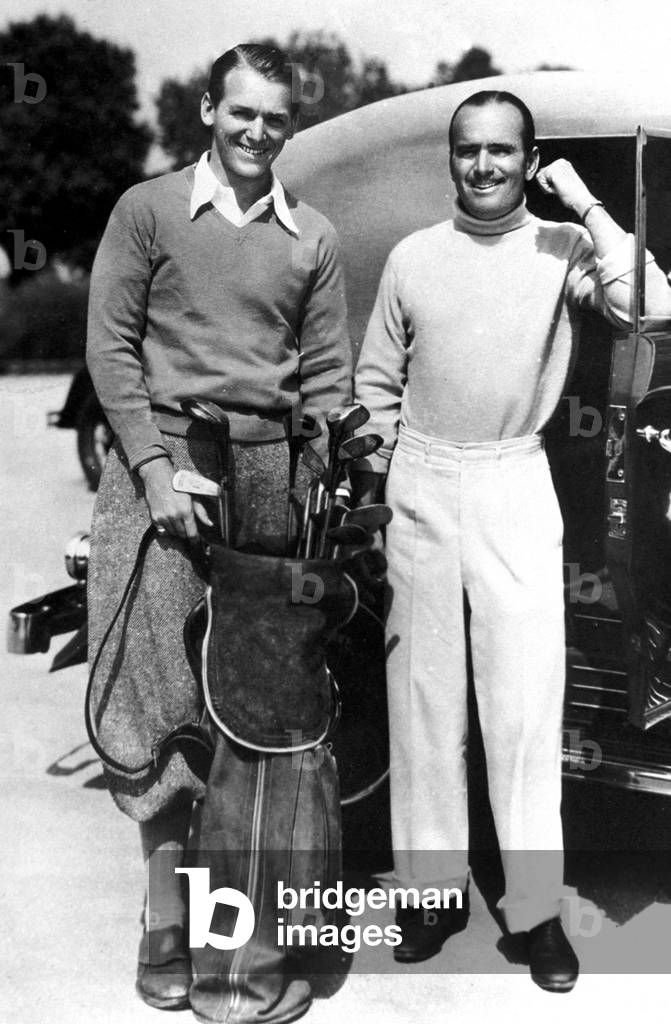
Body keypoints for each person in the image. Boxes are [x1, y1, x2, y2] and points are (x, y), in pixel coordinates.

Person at [353, 90, 671, 992]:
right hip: (420, 483)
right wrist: (375, 483)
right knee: (423, 707)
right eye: (468, 150)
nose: (483, 165)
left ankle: (534, 913)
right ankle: (428, 896)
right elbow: (375, 384)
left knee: (524, 712)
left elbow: (653, 303)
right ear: (450, 159)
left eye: (502, 150)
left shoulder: (562, 247)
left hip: (513, 480)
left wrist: (584, 201)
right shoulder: (413, 257)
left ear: (528, 161)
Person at [86, 43, 351, 1022]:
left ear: (290, 126)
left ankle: (233, 946)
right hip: (158, 472)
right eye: (241, 112)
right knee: (156, 705)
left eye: (275, 118)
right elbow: (110, 349)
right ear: (208, 110)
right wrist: (155, 474)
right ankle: (164, 924)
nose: (256, 132)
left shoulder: (312, 235)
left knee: (255, 713)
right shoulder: (147, 210)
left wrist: (309, 486)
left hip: (267, 480)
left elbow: (325, 379)